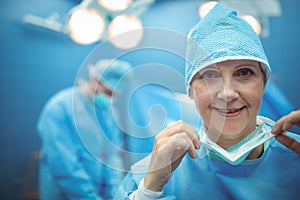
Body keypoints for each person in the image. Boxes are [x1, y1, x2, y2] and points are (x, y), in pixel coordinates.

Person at [114, 3, 300, 199]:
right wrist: (149, 191)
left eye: (244, 72)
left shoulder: (295, 156)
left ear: (264, 84)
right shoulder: (148, 176)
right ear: (191, 90)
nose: (227, 94)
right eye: (209, 75)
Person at [37, 59, 133, 199]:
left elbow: (112, 157)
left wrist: (115, 194)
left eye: (114, 94)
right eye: (107, 91)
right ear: (94, 79)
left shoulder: (109, 113)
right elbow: (65, 167)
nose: (110, 97)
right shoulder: (59, 108)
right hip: (65, 194)